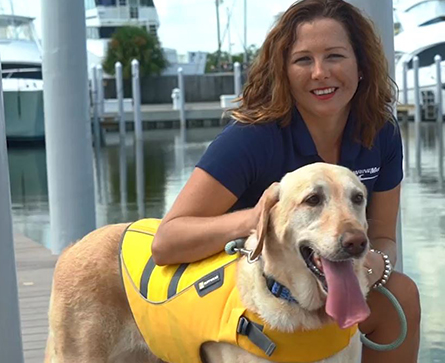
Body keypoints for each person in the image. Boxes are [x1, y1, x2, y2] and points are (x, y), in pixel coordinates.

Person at [151, 0, 421, 361]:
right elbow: (167, 241)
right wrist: (259, 219)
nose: (321, 72)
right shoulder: (252, 138)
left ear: (361, 66)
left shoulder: (380, 132)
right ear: (283, 71)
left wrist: (373, 266)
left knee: (400, 295)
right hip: (248, 288)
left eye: (336, 56)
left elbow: (384, 235)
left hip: (331, 270)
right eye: (303, 60)